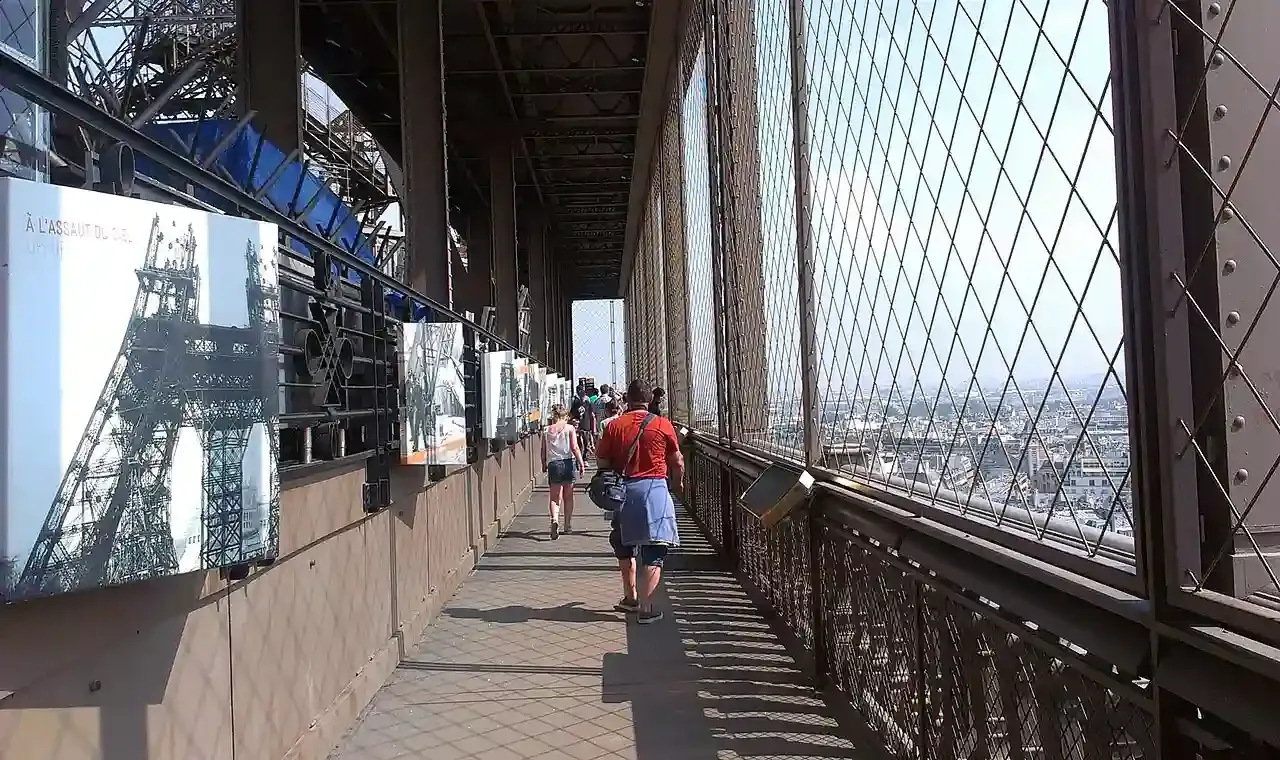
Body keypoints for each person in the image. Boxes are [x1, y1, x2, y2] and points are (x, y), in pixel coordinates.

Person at [597, 380, 683, 624]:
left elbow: (602, 461)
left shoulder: (615, 426)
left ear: (627, 399)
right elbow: (677, 460)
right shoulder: (662, 424)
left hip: (624, 491)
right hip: (655, 489)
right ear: (649, 400)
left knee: (623, 543)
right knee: (654, 548)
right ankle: (646, 608)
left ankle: (630, 597)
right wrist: (678, 483)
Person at [541, 403, 586, 538]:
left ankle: (554, 519)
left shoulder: (546, 430)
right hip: (568, 463)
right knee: (568, 496)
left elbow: (543, 450)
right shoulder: (570, 428)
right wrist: (581, 463)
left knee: (554, 497)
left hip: (553, 465)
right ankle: (567, 525)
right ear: (565, 415)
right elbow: (575, 447)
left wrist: (543, 463)